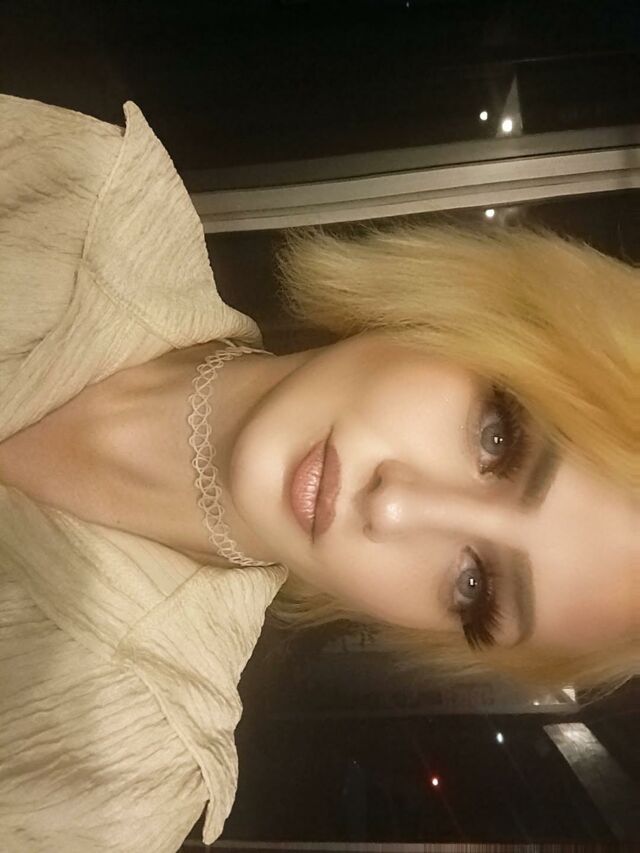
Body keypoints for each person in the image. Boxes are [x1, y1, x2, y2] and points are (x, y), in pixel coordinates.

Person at [0, 94, 637, 852]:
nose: (395, 508)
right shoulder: (84, 198)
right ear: (472, 308)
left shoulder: (118, 777)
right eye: (497, 437)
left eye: (475, 586)